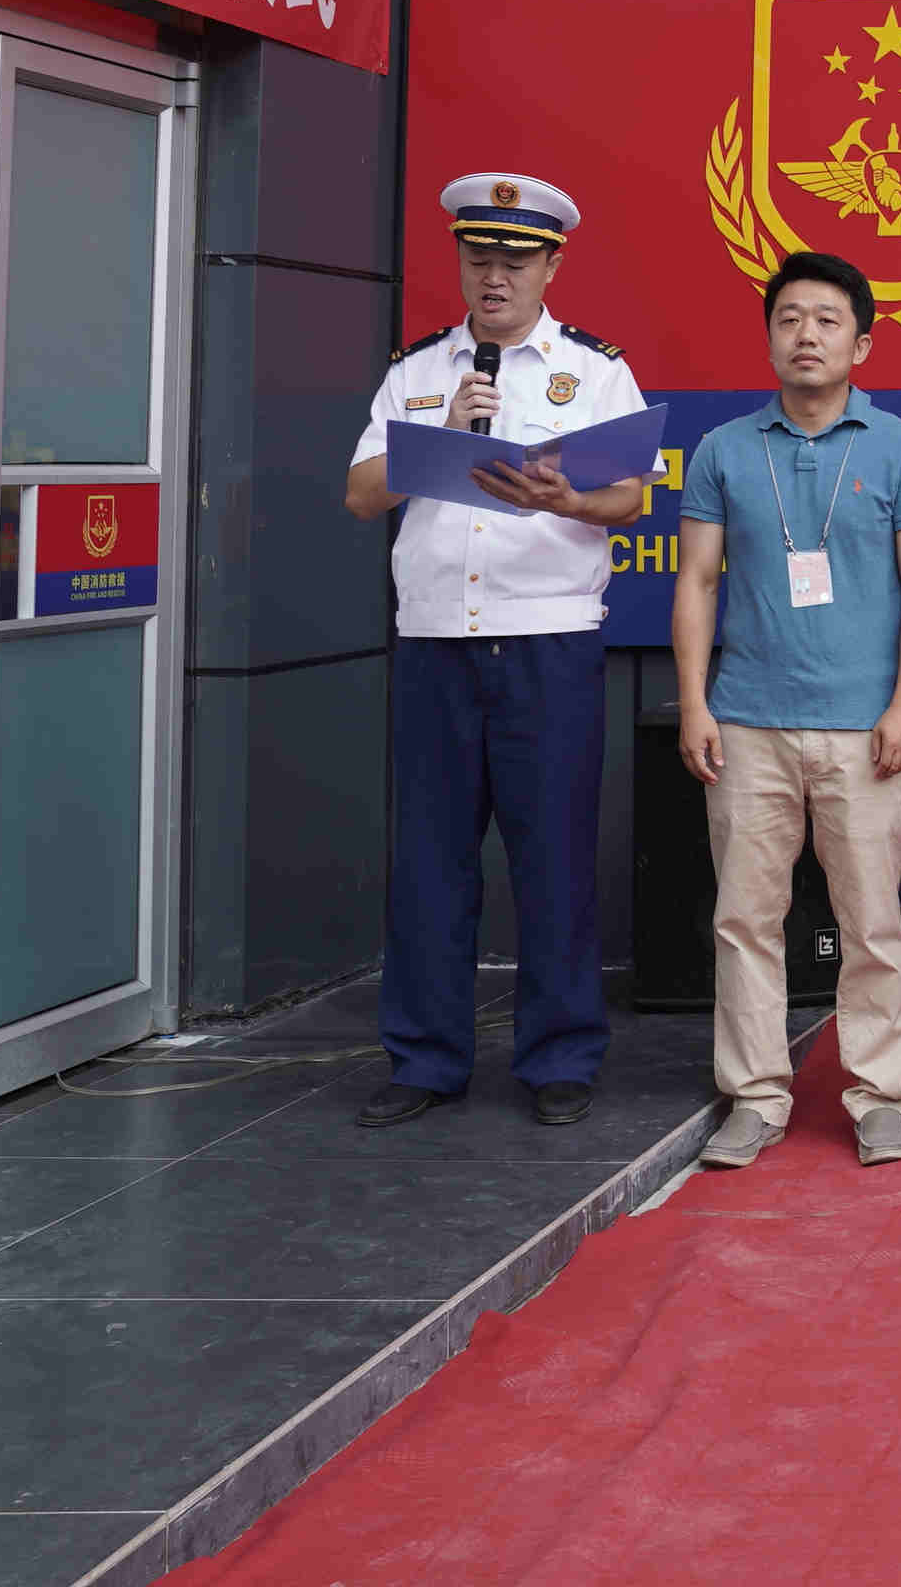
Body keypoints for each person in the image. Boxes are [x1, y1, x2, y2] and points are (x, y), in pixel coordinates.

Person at [342, 173, 652, 1131]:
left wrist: (567, 500)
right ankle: (425, 1058)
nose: (495, 278)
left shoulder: (594, 371)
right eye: (480, 260)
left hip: (547, 641)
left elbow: (630, 497)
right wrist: (437, 429)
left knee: (551, 854)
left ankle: (559, 1057)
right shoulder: (421, 370)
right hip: (436, 640)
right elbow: (360, 495)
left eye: (515, 262)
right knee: (430, 859)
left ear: (551, 265)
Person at [673, 252, 901, 1171]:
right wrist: (693, 705)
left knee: (871, 922)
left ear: (861, 342)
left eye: (827, 321)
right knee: (746, 919)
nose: (806, 336)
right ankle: (753, 1096)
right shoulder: (722, 449)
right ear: (768, 336)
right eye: (789, 318)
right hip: (747, 720)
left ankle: (878, 1096)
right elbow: (697, 582)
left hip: (864, 727)